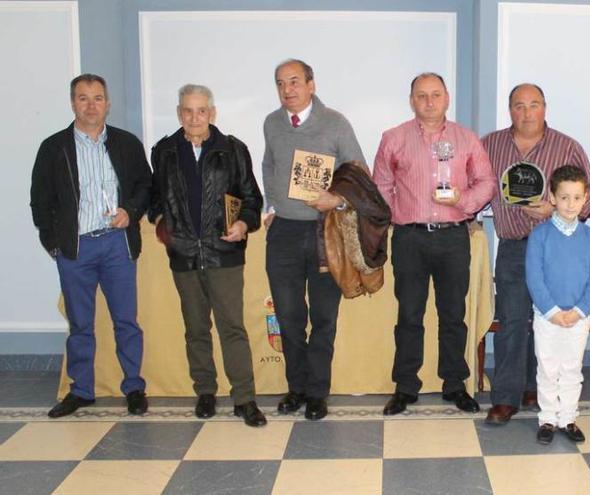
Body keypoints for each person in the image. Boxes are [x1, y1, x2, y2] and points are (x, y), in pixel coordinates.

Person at [373, 72, 496, 415]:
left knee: (453, 315)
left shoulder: (466, 139)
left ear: (447, 99)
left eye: (436, 95)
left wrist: (464, 201)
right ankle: (405, 386)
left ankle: (455, 384)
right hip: (409, 238)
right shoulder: (393, 138)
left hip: (453, 237)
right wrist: (394, 214)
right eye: (422, 96)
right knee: (409, 314)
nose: (429, 101)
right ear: (412, 101)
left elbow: (486, 183)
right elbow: (380, 185)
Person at [30, 73, 151, 417]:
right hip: (76, 248)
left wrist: (131, 210)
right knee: (80, 324)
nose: (91, 105)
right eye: (83, 98)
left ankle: (134, 387)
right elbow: (40, 200)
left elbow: (145, 185)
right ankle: (81, 390)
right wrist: (54, 244)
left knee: (126, 321)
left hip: (117, 245)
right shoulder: (54, 148)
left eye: (97, 98)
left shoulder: (127, 144)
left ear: (107, 103)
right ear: (72, 103)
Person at [481, 83, 590, 424]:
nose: (526, 112)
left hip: (558, 247)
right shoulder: (490, 144)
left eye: (534, 105)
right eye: (519, 105)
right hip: (515, 246)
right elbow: (477, 180)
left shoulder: (566, 146)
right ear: (509, 109)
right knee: (514, 320)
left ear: (545, 108)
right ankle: (506, 397)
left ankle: (536, 389)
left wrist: (555, 209)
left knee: (547, 320)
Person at [149, 84, 266, 427]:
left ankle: (244, 398)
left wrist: (244, 224)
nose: (195, 117)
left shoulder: (232, 150)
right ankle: (205, 392)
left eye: (202, 111)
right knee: (195, 328)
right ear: (179, 113)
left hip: (224, 254)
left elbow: (251, 199)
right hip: (183, 253)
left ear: (212, 113)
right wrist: (160, 219)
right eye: (188, 110)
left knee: (232, 327)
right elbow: (155, 198)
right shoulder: (165, 151)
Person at [262, 59, 365, 420]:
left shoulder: (335, 123)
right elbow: (269, 165)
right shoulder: (272, 123)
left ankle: (318, 393)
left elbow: (358, 173)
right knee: (288, 316)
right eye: (280, 83)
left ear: (311, 84)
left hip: (326, 232)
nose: (287, 89)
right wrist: (271, 202)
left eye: (294, 81)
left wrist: (336, 199)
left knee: (323, 317)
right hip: (284, 233)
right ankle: (297, 389)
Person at [525, 165, 590, 445]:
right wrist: (553, 312)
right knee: (547, 367)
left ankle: (568, 417)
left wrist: (581, 310)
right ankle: (547, 418)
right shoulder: (540, 236)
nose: (571, 204)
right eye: (565, 197)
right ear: (553, 198)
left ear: (585, 200)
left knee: (572, 368)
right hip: (548, 317)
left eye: (577, 198)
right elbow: (534, 277)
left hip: (579, 317)